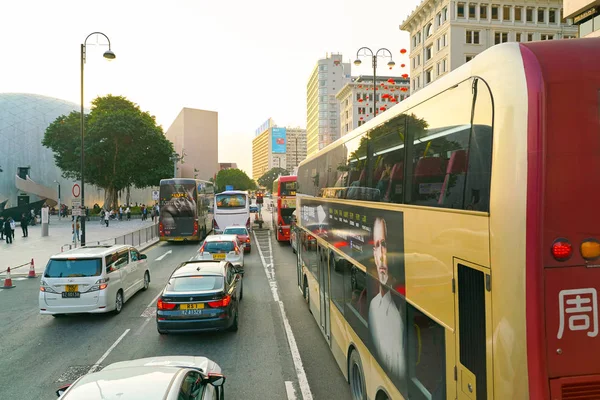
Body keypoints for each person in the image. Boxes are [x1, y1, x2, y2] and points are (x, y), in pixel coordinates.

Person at [368, 217, 405, 380]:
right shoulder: (373, 306)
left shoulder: (402, 310)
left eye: (384, 244)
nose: (381, 255)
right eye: (376, 246)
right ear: (374, 254)